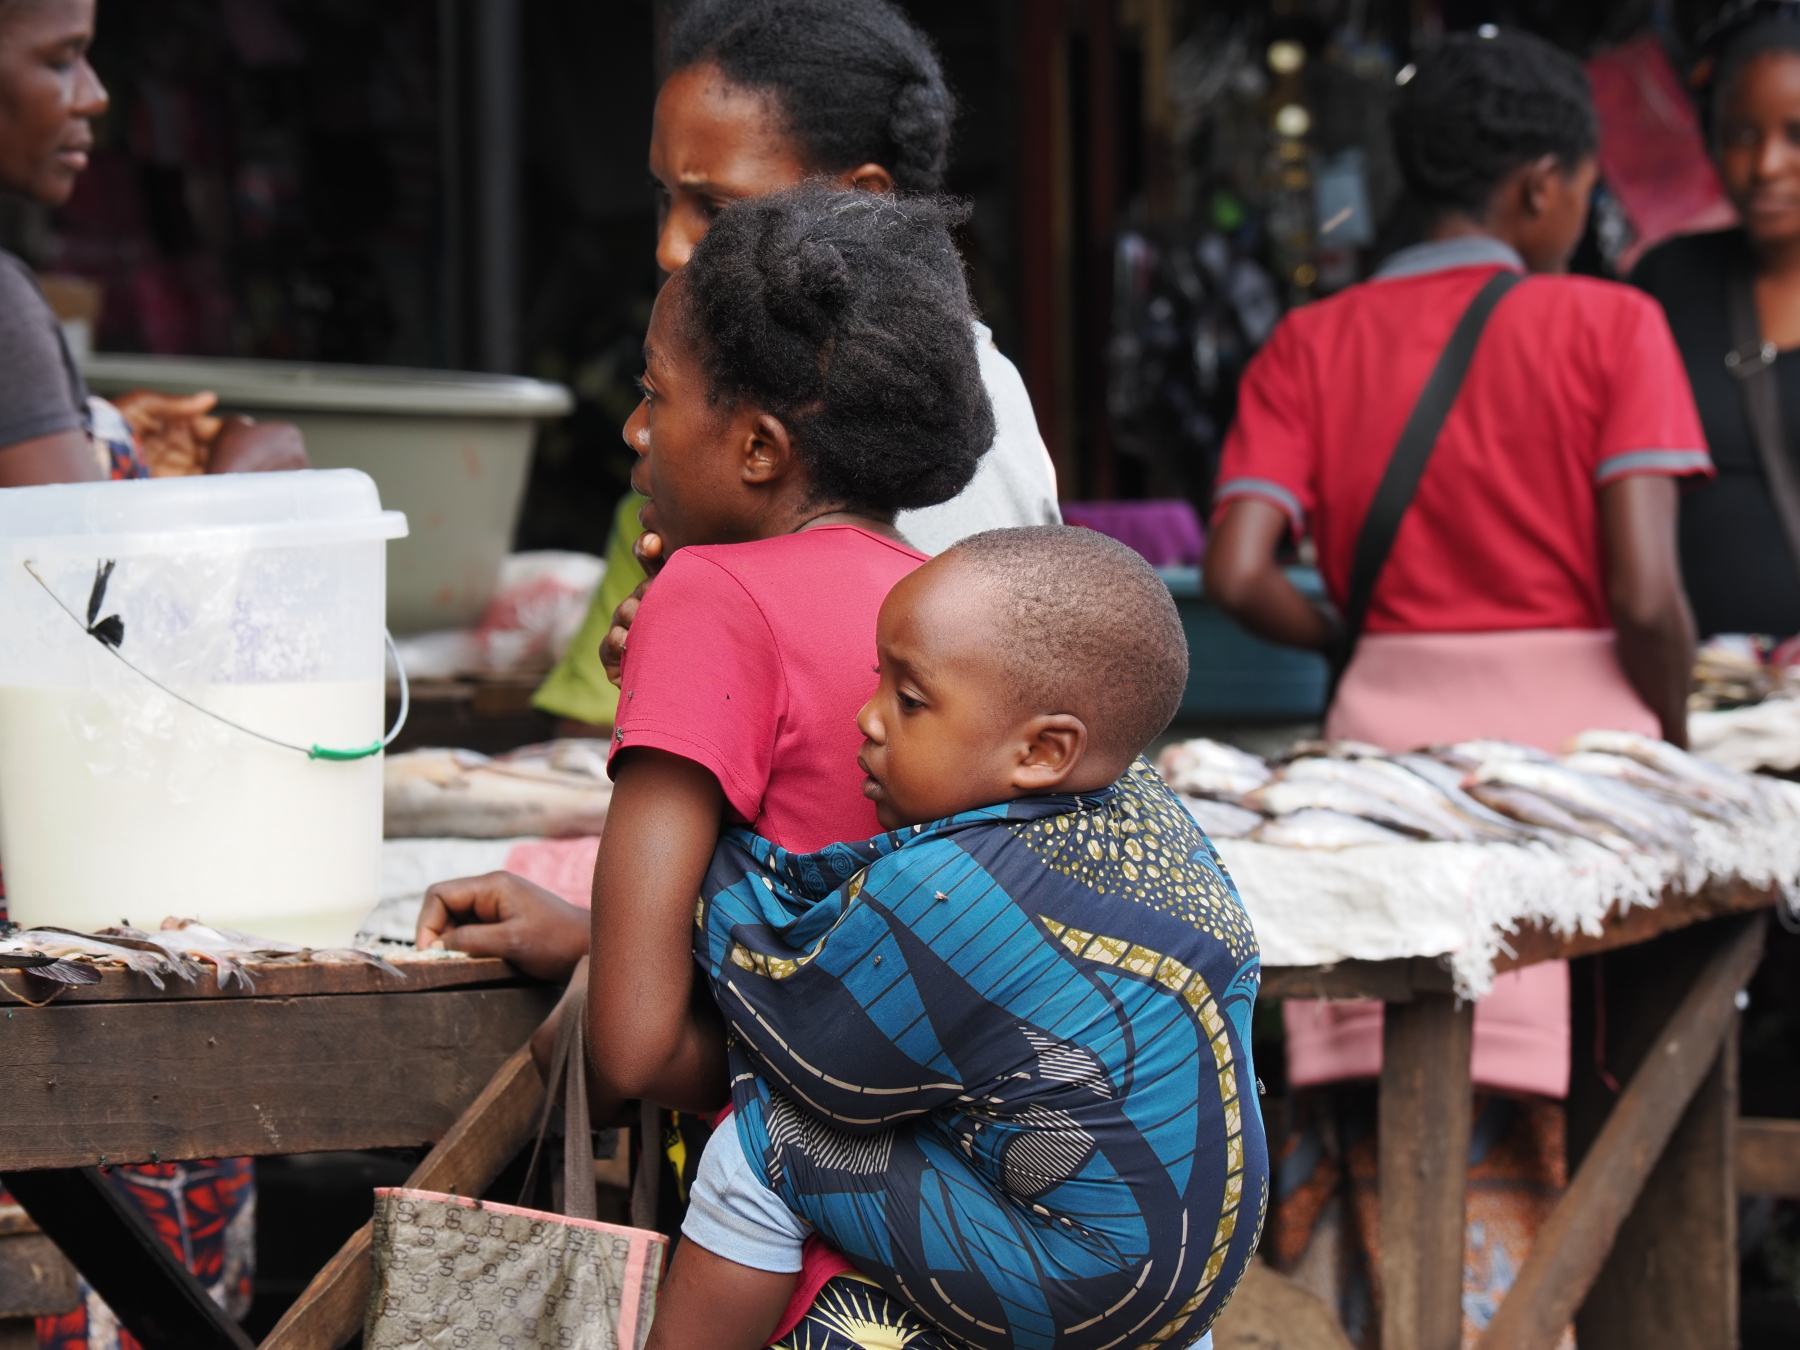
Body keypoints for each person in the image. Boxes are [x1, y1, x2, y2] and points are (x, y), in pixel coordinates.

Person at [422, 185, 1001, 1346]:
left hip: (799, 1272)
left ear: (757, 447)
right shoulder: (961, 608)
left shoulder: (707, 595)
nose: (635, 431)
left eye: (654, 392)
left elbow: (633, 1045)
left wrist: (626, 976)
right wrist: (597, 934)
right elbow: (858, 935)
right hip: (970, 1243)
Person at [1202, 30, 1708, 1343]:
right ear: (1541, 188)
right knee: (1588, 1088)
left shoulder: (1309, 340)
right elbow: (1648, 595)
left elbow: (1240, 570)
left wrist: (1367, 639)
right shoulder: (1612, 322)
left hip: (1378, 766)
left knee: (1364, 1098)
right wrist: (1680, 732)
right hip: (1574, 773)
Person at [648, 526, 1264, 1350]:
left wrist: (702, 812)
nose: (864, 720)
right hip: (1190, 1285)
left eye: (909, 699)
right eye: (879, 681)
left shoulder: (953, 895)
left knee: (767, 1142)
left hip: (1086, 1285)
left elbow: (800, 1023)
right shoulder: (1147, 814)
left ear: (1044, 750)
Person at [0, 5, 303, 1345]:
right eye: (57, 56)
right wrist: (245, 498)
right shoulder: (0, 312)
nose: (99, 95)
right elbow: (95, 642)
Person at [532, 0, 1059, 734]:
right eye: (665, 199)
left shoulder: (917, 415)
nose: (670, 248)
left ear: (862, 201)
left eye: (715, 209)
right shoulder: (755, 395)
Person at [1633, 0, 1800, 640]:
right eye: (1742, 136)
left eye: (1796, 134)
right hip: (1707, 694)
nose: (1767, 167)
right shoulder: (1668, 282)